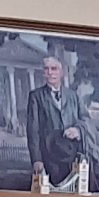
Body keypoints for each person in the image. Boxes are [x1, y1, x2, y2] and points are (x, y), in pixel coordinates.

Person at [24, 55, 83, 188]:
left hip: (71, 156)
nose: (50, 72)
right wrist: (37, 159)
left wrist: (78, 130)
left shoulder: (73, 96)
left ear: (61, 72)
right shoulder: (35, 96)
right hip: (49, 157)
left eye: (54, 68)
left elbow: (85, 119)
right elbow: (33, 130)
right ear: (43, 73)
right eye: (46, 69)